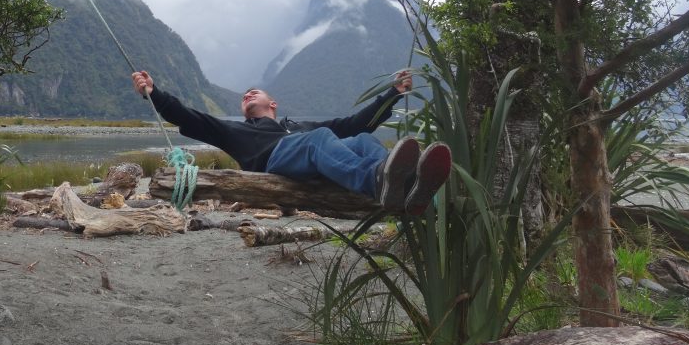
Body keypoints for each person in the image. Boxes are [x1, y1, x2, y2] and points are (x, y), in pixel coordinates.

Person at [131, 69, 451, 215]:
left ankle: (408, 187)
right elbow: (189, 117)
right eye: (245, 96)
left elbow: (355, 123)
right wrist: (154, 93)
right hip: (275, 164)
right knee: (319, 140)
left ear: (274, 103)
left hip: (311, 156)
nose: (248, 94)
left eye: (255, 92)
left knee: (364, 138)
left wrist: (393, 93)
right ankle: (377, 180)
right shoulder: (235, 131)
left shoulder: (300, 127)